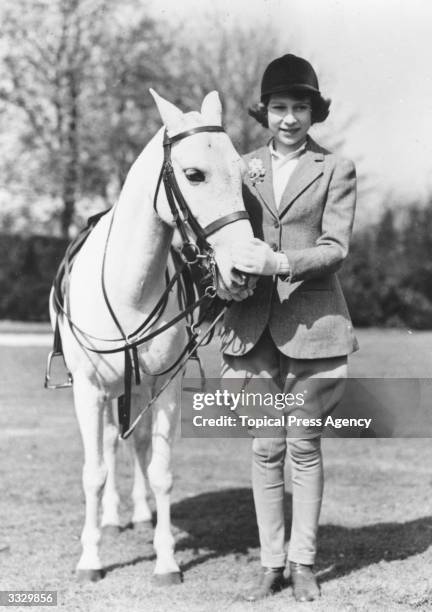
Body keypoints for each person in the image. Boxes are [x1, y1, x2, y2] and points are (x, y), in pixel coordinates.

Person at [220, 53, 358, 602]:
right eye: (280, 107)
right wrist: (225, 276)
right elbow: (222, 238)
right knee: (264, 448)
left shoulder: (336, 168)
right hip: (251, 325)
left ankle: (303, 563)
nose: (289, 118)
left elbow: (336, 247)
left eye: (300, 107)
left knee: (303, 445)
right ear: (265, 111)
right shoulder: (240, 166)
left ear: (314, 112)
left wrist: (281, 264)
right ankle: (270, 563)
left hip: (313, 322)